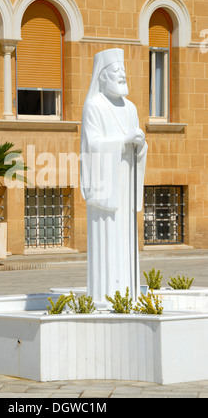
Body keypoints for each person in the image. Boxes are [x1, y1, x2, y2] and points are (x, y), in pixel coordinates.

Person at [80, 48, 147, 306]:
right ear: (103, 77)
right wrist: (123, 141)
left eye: (124, 71)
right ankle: (104, 299)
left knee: (126, 243)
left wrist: (140, 146)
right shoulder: (94, 105)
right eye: (117, 71)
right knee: (107, 242)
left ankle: (128, 296)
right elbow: (92, 144)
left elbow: (135, 144)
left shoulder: (130, 108)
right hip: (106, 187)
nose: (122, 75)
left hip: (126, 184)